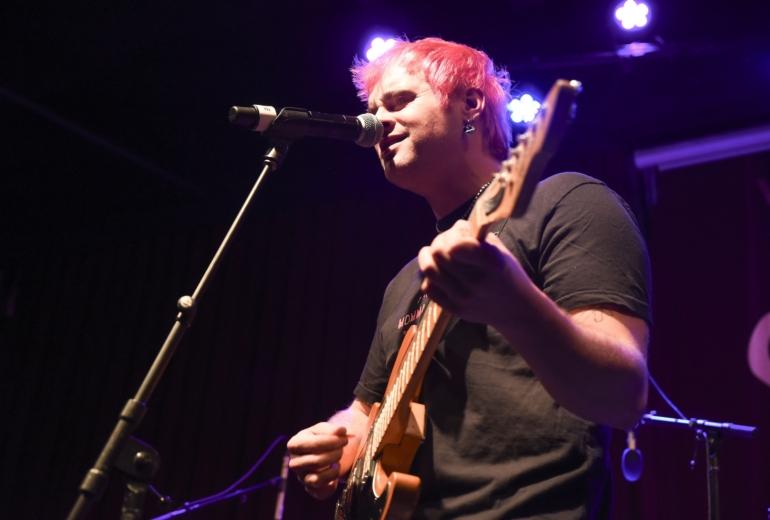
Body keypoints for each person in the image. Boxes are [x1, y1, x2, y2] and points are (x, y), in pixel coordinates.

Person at [287, 37, 651, 519]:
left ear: (471, 104)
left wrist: (514, 304)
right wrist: (336, 442)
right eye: (374, 110)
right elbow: (366, 411)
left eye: (400, 102)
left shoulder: (567, 202)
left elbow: (623, 396)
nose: (378, 123)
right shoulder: (405, 282)